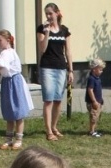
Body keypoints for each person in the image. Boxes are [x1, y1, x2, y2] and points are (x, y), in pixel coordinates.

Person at [37, 3, 73, 141]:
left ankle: (54, 127)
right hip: (47, 68)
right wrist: (47, 32)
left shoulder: (64, 30)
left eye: (50, 13)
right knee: (48, 100)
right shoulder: (41, 29)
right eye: (46, 13)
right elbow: (42, 49)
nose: (48, 16)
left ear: (57, 13)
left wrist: (71, 70)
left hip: (61, 67)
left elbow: (68, 51)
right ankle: (48, 131)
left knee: (58, 100)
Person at [86, 58, 105, 138]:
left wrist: (100, 99)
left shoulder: (97, 78)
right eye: (100, 70)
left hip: (98, 101)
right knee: (93, 117)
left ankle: (94, 130)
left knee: (97, 116)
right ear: (94, 69)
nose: (102, 71)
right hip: (93, 103)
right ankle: (92, 131)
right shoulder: (91, 79)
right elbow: (90, 90)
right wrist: (94, 101)